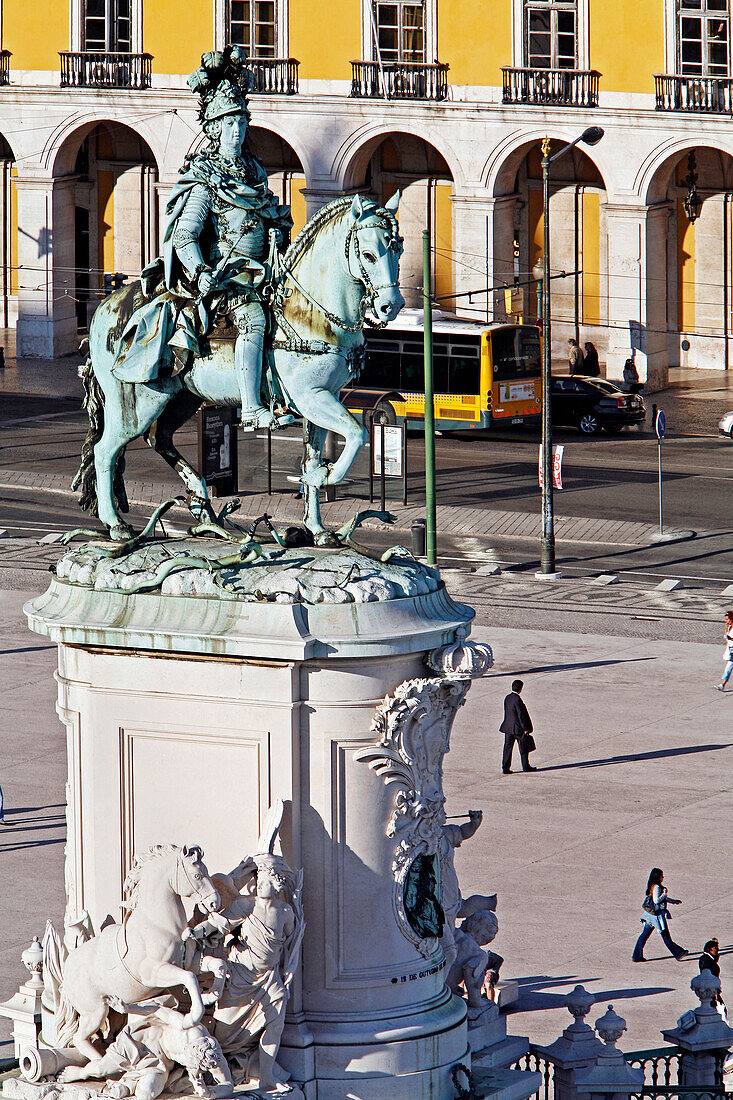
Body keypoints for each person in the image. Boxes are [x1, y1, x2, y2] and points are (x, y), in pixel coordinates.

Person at [112, 47, 294, 431]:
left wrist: (277, 228)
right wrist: (200, 271)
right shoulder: (206, 179)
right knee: (255, 319)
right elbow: (185, 235)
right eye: (229, 124)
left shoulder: (253, 172)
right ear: (212, 129)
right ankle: (251, 408)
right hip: (225, 279)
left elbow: (268, 211)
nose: (238, 131)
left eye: (242, 123)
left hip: (264, 272)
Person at [632, 868, 688, 962]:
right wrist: (664, 894)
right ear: (658, 877)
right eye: (662, 875)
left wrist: (673, 901)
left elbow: (660, 898)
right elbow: (656, 900)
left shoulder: (653, 886)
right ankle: (678, 953)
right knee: (665, 935)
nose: (663, 877)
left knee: (644, 936)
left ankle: (637, 956)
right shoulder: (657, 887)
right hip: (656, 917)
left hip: (649, 916)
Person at [499, 680, 537, 774]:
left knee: (507, 748)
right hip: (517, 728)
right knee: (523, 747)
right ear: (520, 689)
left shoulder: (507, 697)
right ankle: (525, 766)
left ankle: (505, 767)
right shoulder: (517, 699)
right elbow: (521, 715)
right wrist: (525, 729)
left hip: (508, 727)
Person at [699, 938, 728, 1021]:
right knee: (719, 1009)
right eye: (715, 948)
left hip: (712, 989)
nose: (717, 950)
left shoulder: (708, 958)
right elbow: (708, 974)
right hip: (711, 989)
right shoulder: (706, 960)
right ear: (709, 949)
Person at [716, 610, 733, 691]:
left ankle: (722, 684)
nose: (726, 621)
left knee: (729, 667)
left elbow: (729, 638)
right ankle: (722, 684)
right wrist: (726, 629)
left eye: (727, 620)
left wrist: (731, 639)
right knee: (728, 668)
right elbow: (726, 638)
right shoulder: (729, 627)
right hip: (731, 650)